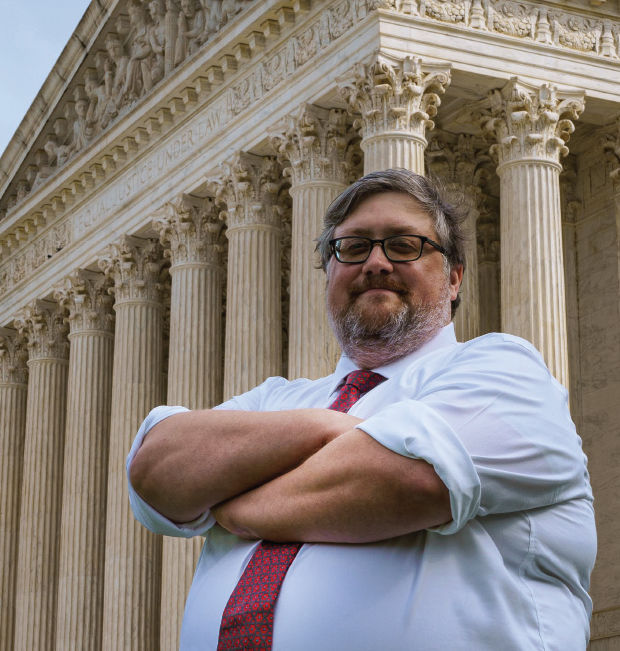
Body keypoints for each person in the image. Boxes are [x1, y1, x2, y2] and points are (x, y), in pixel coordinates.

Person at [128, 169, 596, 650]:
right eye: (352, 248)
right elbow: (156, 468)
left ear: (454, 278)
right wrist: (327, 427)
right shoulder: (276, 398)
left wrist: (231, 500)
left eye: (403, 245)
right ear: (329, 272)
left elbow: (402, 481)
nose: (375, 262)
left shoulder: (506, 370)